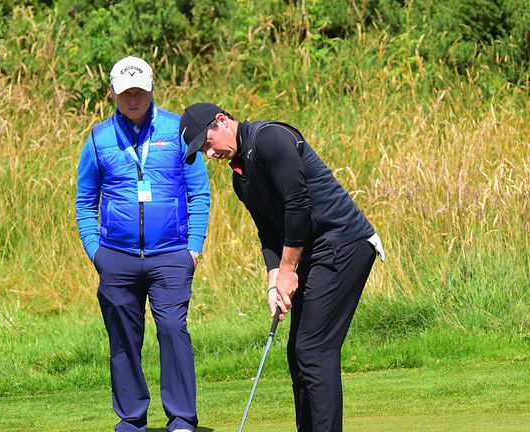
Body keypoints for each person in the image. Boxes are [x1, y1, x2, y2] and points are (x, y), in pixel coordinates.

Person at [180, 103, 386, 432]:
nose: (209, 154)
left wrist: (289, 269)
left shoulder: (270, 139)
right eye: (203, 150)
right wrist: (274, 278)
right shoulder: (241, 179)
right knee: (298, 352)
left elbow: (298, 205)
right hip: (314, 251)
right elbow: (269, 231)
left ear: (221, 121)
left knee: (314, 350)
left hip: (345, 243)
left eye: (207, 143)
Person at [75, 56, 210, 432]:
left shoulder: (177, 130)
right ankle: (132, 418)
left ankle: (182, 417)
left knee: (172, 329)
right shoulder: (100, 138)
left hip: (171, 255)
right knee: (122, 337)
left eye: (139, 91)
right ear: (113, 94)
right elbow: (85, 200)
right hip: (115, 257)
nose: (132, 99)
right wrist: (95, 251)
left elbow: (199, 193)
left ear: (151, 89)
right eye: (125, 93)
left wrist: (193, 247)